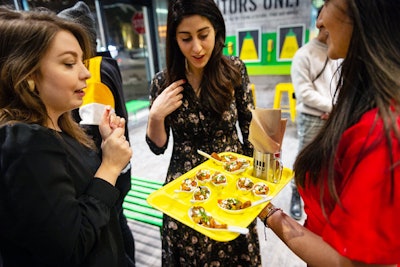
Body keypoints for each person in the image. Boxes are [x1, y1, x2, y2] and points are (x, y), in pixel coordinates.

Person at [258, 0, 400, 266]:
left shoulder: (380, 132)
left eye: (327, 3)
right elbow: (306, 93)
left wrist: (266, 212)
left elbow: (348, 261)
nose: (320, 21)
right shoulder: (314, 59)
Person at [0, 7, 133, 267]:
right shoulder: (23, 143)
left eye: (82, 62)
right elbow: (69, 249)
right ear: (27, 76)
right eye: (69, 63)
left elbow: (106, 205)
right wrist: (109, 165)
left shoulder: (61, 126)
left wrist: (109, 148)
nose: (85, 73)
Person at [145, 0, 261, 265]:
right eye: (186, 38)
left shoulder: (234, 70)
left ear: (216, 31)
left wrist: (256, 185)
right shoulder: (163, 82)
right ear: (175, 39)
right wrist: (155, 115)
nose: (196, 48)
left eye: (203, 35)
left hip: (230, 180)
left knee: (234, 249)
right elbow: (158, 146)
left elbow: (250, 130)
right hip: (185, 186)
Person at [57, 2, 135, 265]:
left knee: (115, 224)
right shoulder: (105, 63)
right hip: (117, 165)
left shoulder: (94, 71)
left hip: (108, 170)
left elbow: (90, 130)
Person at [289, 6, 340, 220]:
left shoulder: (339, 53)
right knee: (305, 159)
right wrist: (333, 108)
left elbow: (339, 85)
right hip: (312, 117)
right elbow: (304, 93)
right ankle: (295, 193)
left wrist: (337, 111)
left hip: (334, 116)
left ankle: (318, 200)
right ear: (322, 20)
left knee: (328, 161)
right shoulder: (304, 55)